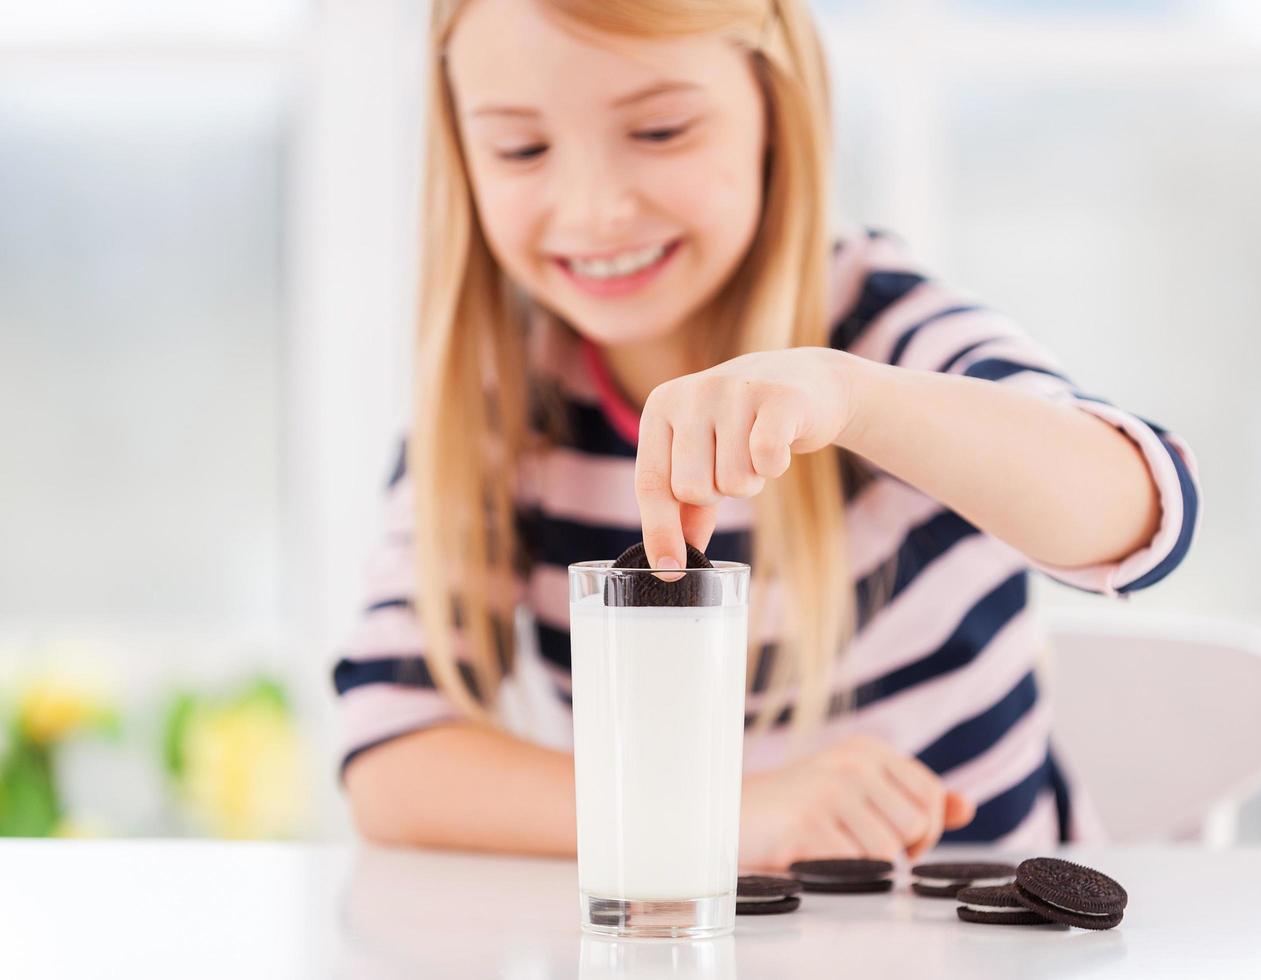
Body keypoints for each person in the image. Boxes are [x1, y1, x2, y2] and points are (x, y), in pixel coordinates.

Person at [334, 0, 1201, 870]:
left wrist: (854, 399)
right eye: (521, 148)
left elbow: (1139, 513)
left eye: (662, 130)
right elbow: (390, 758)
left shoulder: (884, 331)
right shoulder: (502, 405)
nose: (595, 209)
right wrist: (719, 819)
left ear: (774, 112)